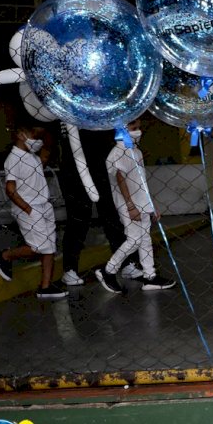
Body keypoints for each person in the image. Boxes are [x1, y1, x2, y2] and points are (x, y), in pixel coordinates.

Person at [95, 119, 176, 294]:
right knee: (135, 239)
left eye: (139, 128)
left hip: (142, 202)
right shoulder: (119, 152)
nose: (138, 131)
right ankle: (108, 270)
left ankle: (150, 276)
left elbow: (141, 181)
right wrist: (131, 206)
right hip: (128, 204)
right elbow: (120, 179)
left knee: (145, 239)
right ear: (122, 129)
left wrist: (150, 203)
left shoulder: (135, 151)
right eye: (134, 128)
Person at [57, 124, 141, 287]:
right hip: (74, 164)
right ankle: (70, 269)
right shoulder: (66, 109)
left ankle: (125, 263)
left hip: (102, 161)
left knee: (112, 213)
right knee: (78, 216)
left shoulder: (102, 109)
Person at [0, 123, 67, 299]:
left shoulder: (31, 156)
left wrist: (46, 135)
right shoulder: (14, 158)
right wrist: (28, 209)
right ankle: (5, 255)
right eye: (33, 136)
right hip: (29, 207)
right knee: (38, 247)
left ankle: (45, 287)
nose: (37, 141)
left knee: (49, 247)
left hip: (44, 206)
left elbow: (46, 154)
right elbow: (10, 189)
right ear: (20, 134)